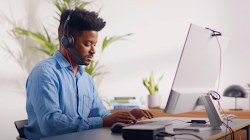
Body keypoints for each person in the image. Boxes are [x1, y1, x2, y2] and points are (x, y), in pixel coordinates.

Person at [24, 8, 154, 140]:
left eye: (95, 45)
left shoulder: (86, 79)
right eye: (87, 44)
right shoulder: (44, 72)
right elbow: (50, 124)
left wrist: (124, 117)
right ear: (67, 41)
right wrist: (104, 122)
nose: (93, 51)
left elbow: (101, 114)